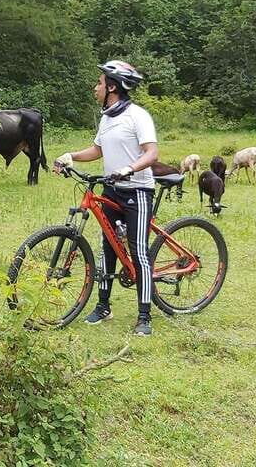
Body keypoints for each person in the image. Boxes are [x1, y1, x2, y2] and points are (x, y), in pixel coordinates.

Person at [54, 60, 158, 336]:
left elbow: (151, 153)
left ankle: (144, 316)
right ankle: (103, 306)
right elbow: (97, 150)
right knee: (108, 246)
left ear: (112, 87)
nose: (95, 87)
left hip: (137, 190)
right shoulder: (107, 117)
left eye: (99, 83)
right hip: (112, 188)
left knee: (138, 252)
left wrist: (129, 168)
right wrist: (71, 156)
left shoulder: (138, 116)